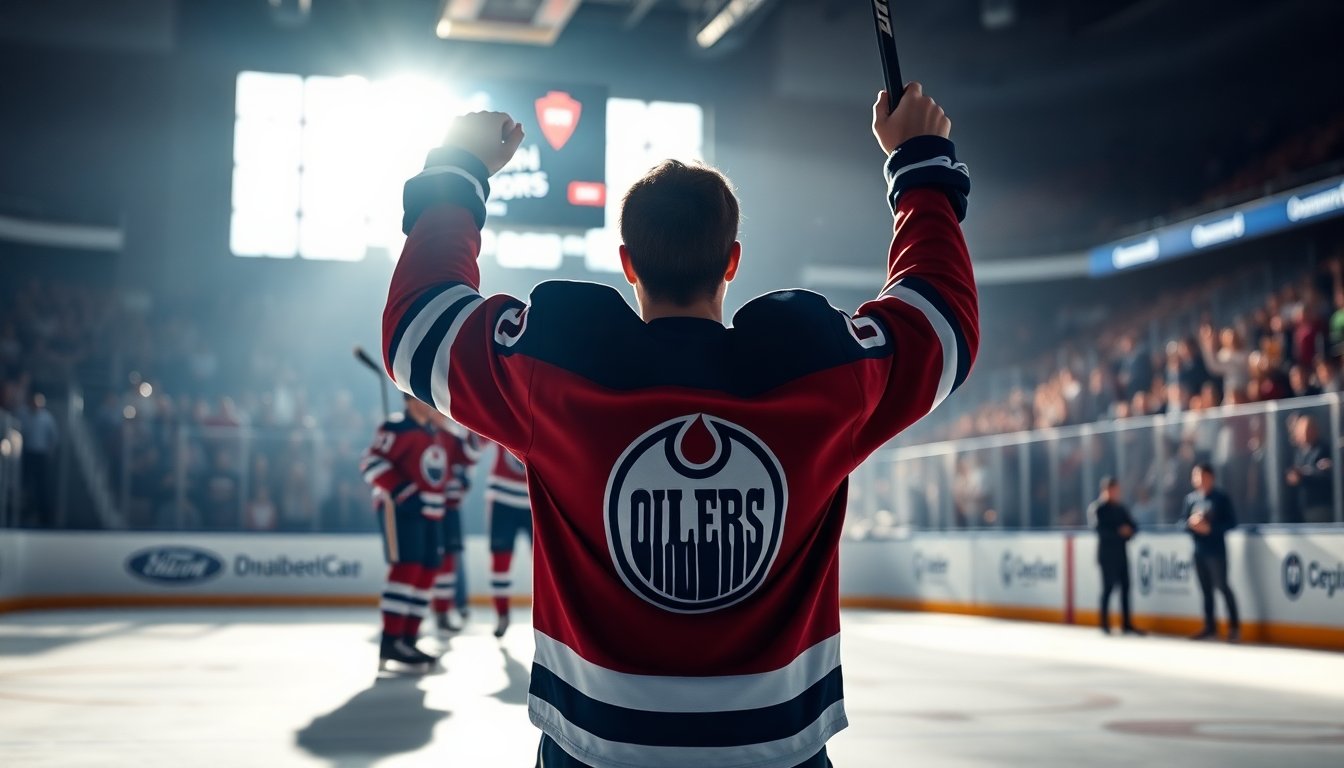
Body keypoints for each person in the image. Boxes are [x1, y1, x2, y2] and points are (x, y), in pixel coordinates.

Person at [380, 84, 975, 767]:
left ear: (628, 263)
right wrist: (919, 163)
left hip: (594, 749)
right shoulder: (822, 375)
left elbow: (416, 327)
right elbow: (942, 323)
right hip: (777, 749)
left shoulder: (555, 368)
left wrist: (460, 168)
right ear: (733, 262)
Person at [359, 394, 456, 672]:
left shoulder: (434, 432)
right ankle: (391, 640)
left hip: (433, 513)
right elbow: (371, 463)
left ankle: (408, 639)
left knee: (427, 572)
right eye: (423, 399)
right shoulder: (396, 427)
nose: (430, 404)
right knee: (406, 570)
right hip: (402, 511)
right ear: (410, 401)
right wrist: (402, 490)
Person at [430, 415, 482, 633]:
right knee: (430, 560)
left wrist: (472, 430)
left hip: (449, 508)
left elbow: (470, 459)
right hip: (427, 508)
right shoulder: (422, 433)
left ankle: (443, 610)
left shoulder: (453, 436)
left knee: (450, 558)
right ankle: (430, 610)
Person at [1181, 464, 1241, 642]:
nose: (1198, 480)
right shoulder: (1191, 499)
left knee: (1222, 586)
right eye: (1195, 476)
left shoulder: (1220, 497)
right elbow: (1181, 523)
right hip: (1199, 550)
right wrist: (1191, 525)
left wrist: (1210, 529)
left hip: (1216, 550)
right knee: (1206, 590)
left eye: (1201, 475)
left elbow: (1231, 522)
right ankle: (1210, 626)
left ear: (1210, 477)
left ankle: (1234, 627)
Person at [482, 438, 533, 638]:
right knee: (500, 563)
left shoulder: (543, 410)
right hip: (502, 501)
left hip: (535, 500)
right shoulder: (503, 410)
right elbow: (472, 446)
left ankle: (548, 619)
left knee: (544, 566)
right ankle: (502, 614)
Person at [1089, 477, 1143, 636]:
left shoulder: (1120, 508)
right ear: (1106, 490)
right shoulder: (1098, 509)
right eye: (1113, 490)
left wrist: (1129, 531)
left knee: (1126, 588)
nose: (1116, 493)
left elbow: (1134, 526)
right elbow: (1100, 531)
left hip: (1121, 554)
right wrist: (1120, 532)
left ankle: (1126, 623)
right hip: (1107, 555)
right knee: (1108, 589)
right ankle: (1104, 624)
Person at [1285, 415, 1333, 523]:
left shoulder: (1323, 449)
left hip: (1320, 505)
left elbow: (1324, 473)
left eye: (1308, 429)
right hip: (1304, 505)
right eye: (1302, 430)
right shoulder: (1300, 452)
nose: (1305, 433)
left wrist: (1303, 475)